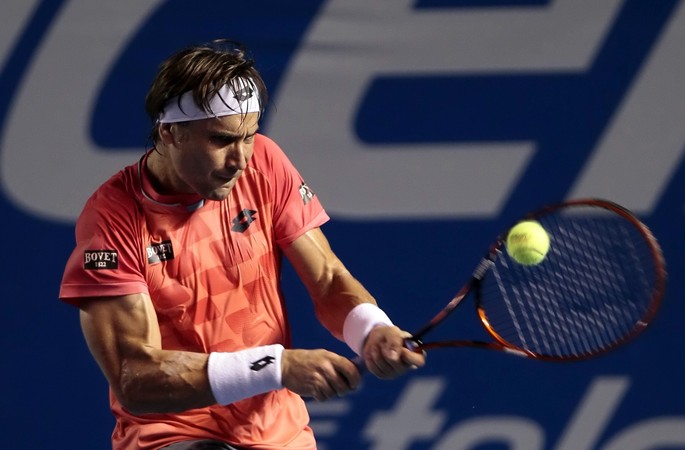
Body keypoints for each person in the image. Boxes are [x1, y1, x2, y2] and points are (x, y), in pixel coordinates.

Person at [59, 39, 425, 450]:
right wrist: (276, 365)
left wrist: (371, 329)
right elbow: (136, 377)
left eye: (249, 136)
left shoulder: (265, 162)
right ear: (170, 133)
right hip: (175, 436)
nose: (241, 159)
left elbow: (326, 277)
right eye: (221, 140)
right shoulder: (113, 219)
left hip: (279, 433)